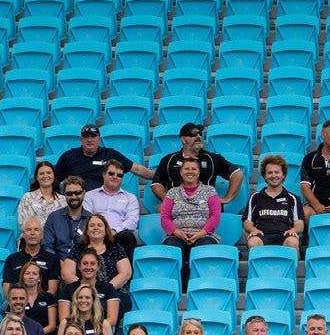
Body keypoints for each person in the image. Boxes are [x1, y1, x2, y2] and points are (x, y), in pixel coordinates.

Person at [161, 157, 223, 290]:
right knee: (172, 246)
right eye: (186, 168)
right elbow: (165, 217)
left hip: (204, 234)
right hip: (177, 235)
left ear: (199, 172)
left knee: (204, 246)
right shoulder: (172, 193)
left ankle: (201, 285)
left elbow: (215, 215)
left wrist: (202, 233)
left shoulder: (210, 191)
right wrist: (177, 232)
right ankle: (181, 287)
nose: (190, 172)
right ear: (181, 172)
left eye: (194, 169)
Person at [152, 121, 244, 205]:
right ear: (183, 139)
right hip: (179, 208)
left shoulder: (212, 158)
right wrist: (168, 201)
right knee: (160, 209)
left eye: (200, 134)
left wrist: (227, 198)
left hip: (206, 207)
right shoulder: (169, 160)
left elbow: (237, 174)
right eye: (193, 134)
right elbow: (157, 184)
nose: (198, 137)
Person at [65, 214, 131, 324]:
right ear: (86, 230)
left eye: (100, 225)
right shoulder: (78, 248)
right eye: (92, 225)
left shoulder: (114, 247)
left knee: (117, 301)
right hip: (82, 292)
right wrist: (85, 290)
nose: (96, 228)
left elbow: (126, 272)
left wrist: (105, 290)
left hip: (112, 292)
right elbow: (66, 273)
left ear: (106, 230)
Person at [55, 122, 154, 193]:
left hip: (103, 199)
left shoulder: (109, 154)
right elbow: (55, 180)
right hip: (76, 199)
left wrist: (159, 176)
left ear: (99, 140)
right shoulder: (68, 156)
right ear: (81, 139)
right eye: (86, 136)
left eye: (93, 136)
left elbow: (136, 169)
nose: (89, 140)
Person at [243, 154, 305, 250]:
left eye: (277, 172)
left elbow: (300, 224)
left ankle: (293, 265)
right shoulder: (255, 197)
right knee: (253, 242)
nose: (273, 176)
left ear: (283, 175)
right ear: (264, 176)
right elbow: (247, 222)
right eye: (270, 173)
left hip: (285, 235)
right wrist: (253, 229)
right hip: (262, 235)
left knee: (293, 242)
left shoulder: (292, 198)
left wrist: (294, 230)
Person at [83, 159, 141, 254]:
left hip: (118, 234)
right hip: (95, 233)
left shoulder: (130, 198)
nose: (115, 177)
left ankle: (126, 269)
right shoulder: (90, 196)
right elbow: (87, 217)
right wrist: (101, 231)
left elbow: (132, 221)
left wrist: (114, 230)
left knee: (128, 237)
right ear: (104, 174)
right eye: (111, 173)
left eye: (119, 175)